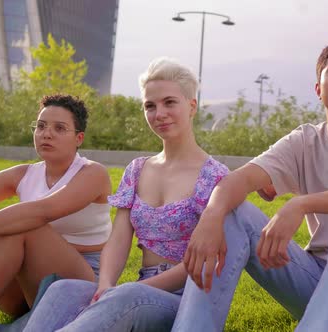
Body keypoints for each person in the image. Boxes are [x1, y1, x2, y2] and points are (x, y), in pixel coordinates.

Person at [174, 32, 328, 331]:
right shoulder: (304, 140)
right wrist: (211, 217)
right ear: (318, 89)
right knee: (233, 211)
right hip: (318, 280)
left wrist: (302, 204)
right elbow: (239, 180)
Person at [22, 58, 229, 332]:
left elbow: (205, 262)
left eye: (170, 102)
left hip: (188, 298)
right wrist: (106, 283)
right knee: (64, 289)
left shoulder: (215, 176)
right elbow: (119, 238)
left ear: (191, 106)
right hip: (138, 288)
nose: (159, 113)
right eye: (150, 106)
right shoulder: (138, 169)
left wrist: (128, 290)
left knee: (126, 296)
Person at [0, 94, 111, 318]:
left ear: (79, 138)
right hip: (27, 287)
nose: (47, 133)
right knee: (1, 232)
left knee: (25, 226)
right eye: (41, 126)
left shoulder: (93, 174)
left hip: (81, 283)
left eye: (60, 128)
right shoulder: (23, 174)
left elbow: (42, 212)